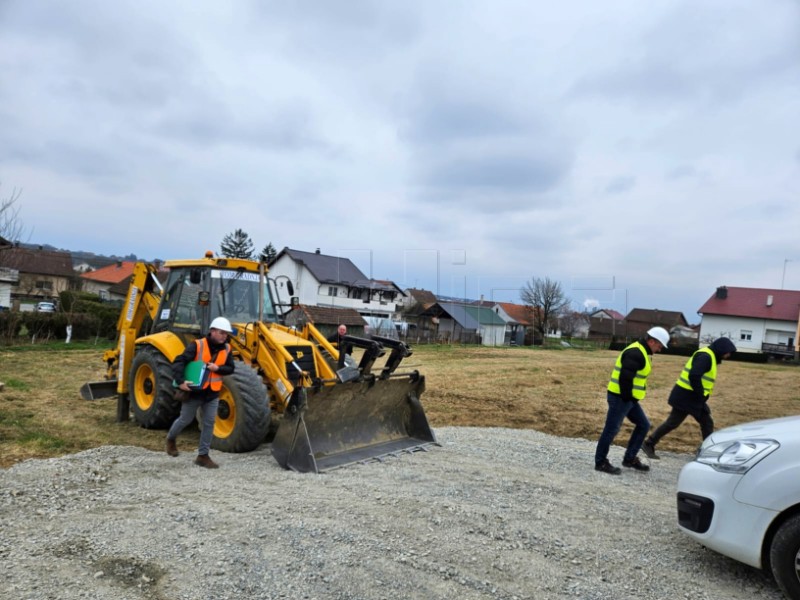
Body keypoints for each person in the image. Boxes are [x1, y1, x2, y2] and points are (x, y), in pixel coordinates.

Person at [642, 337, 737, 459]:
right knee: (688, 422)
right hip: (687, 397)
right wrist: (701, 394)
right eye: (727, 352)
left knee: (701, 422)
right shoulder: (706, 357)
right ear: (721, 349)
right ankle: (649, 443)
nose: (728, 355)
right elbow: (694, 376)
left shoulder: (709, 356)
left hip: (689, 397)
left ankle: (649, 443)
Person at [594, 326, 670, 475]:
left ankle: (629, 459)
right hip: (620, 397)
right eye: (660, 346)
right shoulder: (636, 353)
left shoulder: (642, 352)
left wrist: (630, 399)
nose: (660, 349)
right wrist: (627, 398)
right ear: (653, 341)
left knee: (643, 424)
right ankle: (600, 462)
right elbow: (625, 378)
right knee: (611, 429)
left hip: (628, 398)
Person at [165, 317, 236, 469]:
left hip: (212, 394)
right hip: (194, 392)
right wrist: (181, 381)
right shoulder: (197, 345)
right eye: (222, 333)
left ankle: (203, 456)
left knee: (209, 423)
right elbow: (179, 361)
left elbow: (231, 368)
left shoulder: (227, 349)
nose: (224, 336)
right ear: (212, 331)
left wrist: (218, 369)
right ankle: (171, 439)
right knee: (185, 419)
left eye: (226, 334)